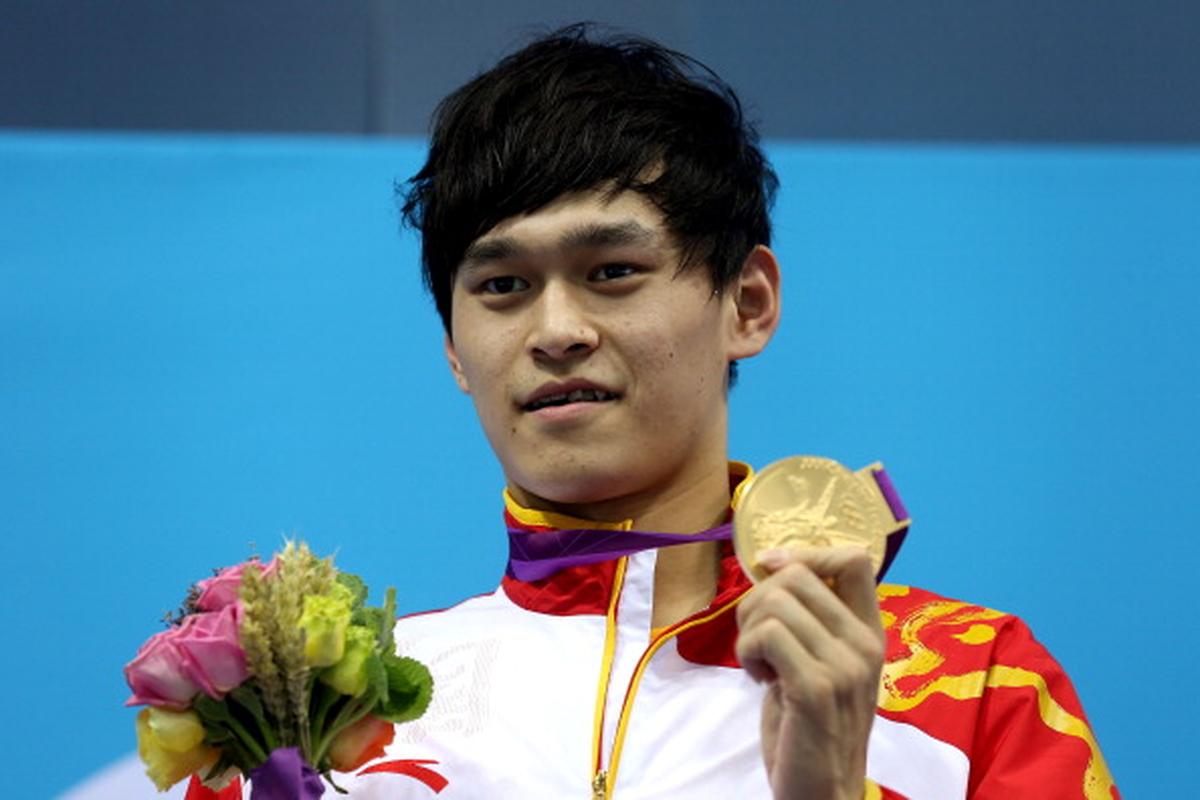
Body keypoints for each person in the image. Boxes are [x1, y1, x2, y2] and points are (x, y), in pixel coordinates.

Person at [149, 23, 1112, 800]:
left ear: (748, 303)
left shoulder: (977, 687)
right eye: (502, 286)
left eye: (613, 272)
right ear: (453, 348)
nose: (556, 329)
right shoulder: (314, 723)